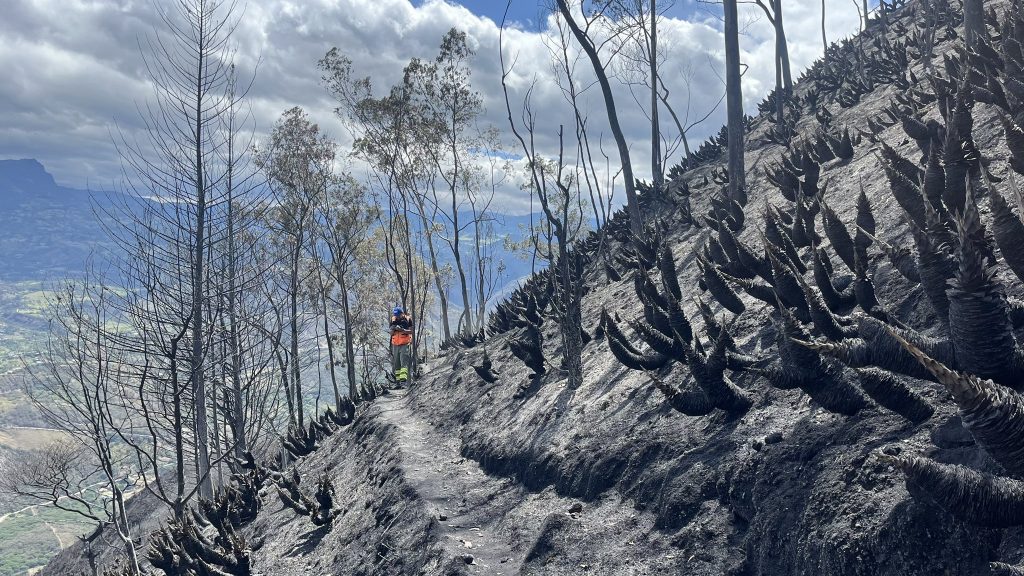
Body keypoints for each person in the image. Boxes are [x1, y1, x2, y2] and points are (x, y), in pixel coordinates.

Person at [389, 306, 413, 384]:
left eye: (398, 315)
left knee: (404, 362)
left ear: (402, 313)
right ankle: (398, 382)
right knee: (396, 364)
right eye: (395, 315)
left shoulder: (408, 319)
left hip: (405, 344)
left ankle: (403, 381)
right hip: (395, 345)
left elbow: (411, 331)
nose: (397, 316)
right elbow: (391, 333)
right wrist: (393, 328)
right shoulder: (393, 320)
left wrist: (402, 330)